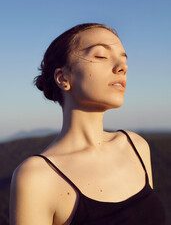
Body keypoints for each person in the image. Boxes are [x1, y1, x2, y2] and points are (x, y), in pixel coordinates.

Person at [10, 23, 166, 225]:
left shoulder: (136, 146)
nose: (122, 67)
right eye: (100, 56)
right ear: (63, 77)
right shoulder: (37, 177)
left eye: (124, 59)